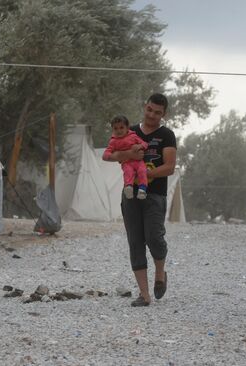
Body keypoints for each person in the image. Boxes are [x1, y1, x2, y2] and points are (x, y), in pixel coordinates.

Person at [102, 93, 177, 307]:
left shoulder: (166, 135)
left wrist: (145, 173)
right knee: (135, 242)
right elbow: (112, 155)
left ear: (164, 114)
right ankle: (144, 295)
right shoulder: (129, 130)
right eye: (150, 110)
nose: (152, 115)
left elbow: (170, 167)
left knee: (154, 238)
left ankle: (160, 274)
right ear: (145, 107)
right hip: (130, 195)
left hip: (155, 195)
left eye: (158, 113)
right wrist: (127, 157)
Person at [102, 115, 149, 200]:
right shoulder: (113, 141)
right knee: (128, 172)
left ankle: (142, 189)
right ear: (112, 129)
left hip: (138, 162)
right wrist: (110, 155)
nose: (119, 130)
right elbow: (106, 154)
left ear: (127, 128)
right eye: (115, 128)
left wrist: (139, 146)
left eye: (121, 127)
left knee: (142, 171)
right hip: (127, 163)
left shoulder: (133, 136)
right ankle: (128, 188)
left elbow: (145, 144)